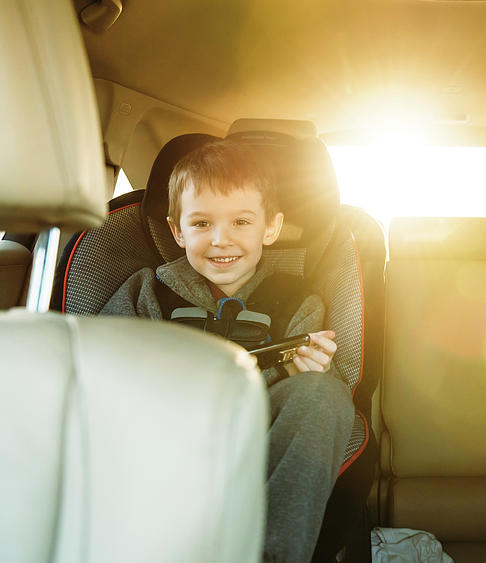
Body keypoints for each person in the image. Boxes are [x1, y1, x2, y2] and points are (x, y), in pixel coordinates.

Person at [101, 141, 354, 563]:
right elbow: (104, 361)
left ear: (270, 228)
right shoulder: (149, 291)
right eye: (201, 223)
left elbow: (307, 398)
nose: (221, 240)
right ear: (178, 230)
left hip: (260, 430)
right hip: (169, 431)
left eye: (241, 221)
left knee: (324, 395)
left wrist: (307, 373)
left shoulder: (297, 301)